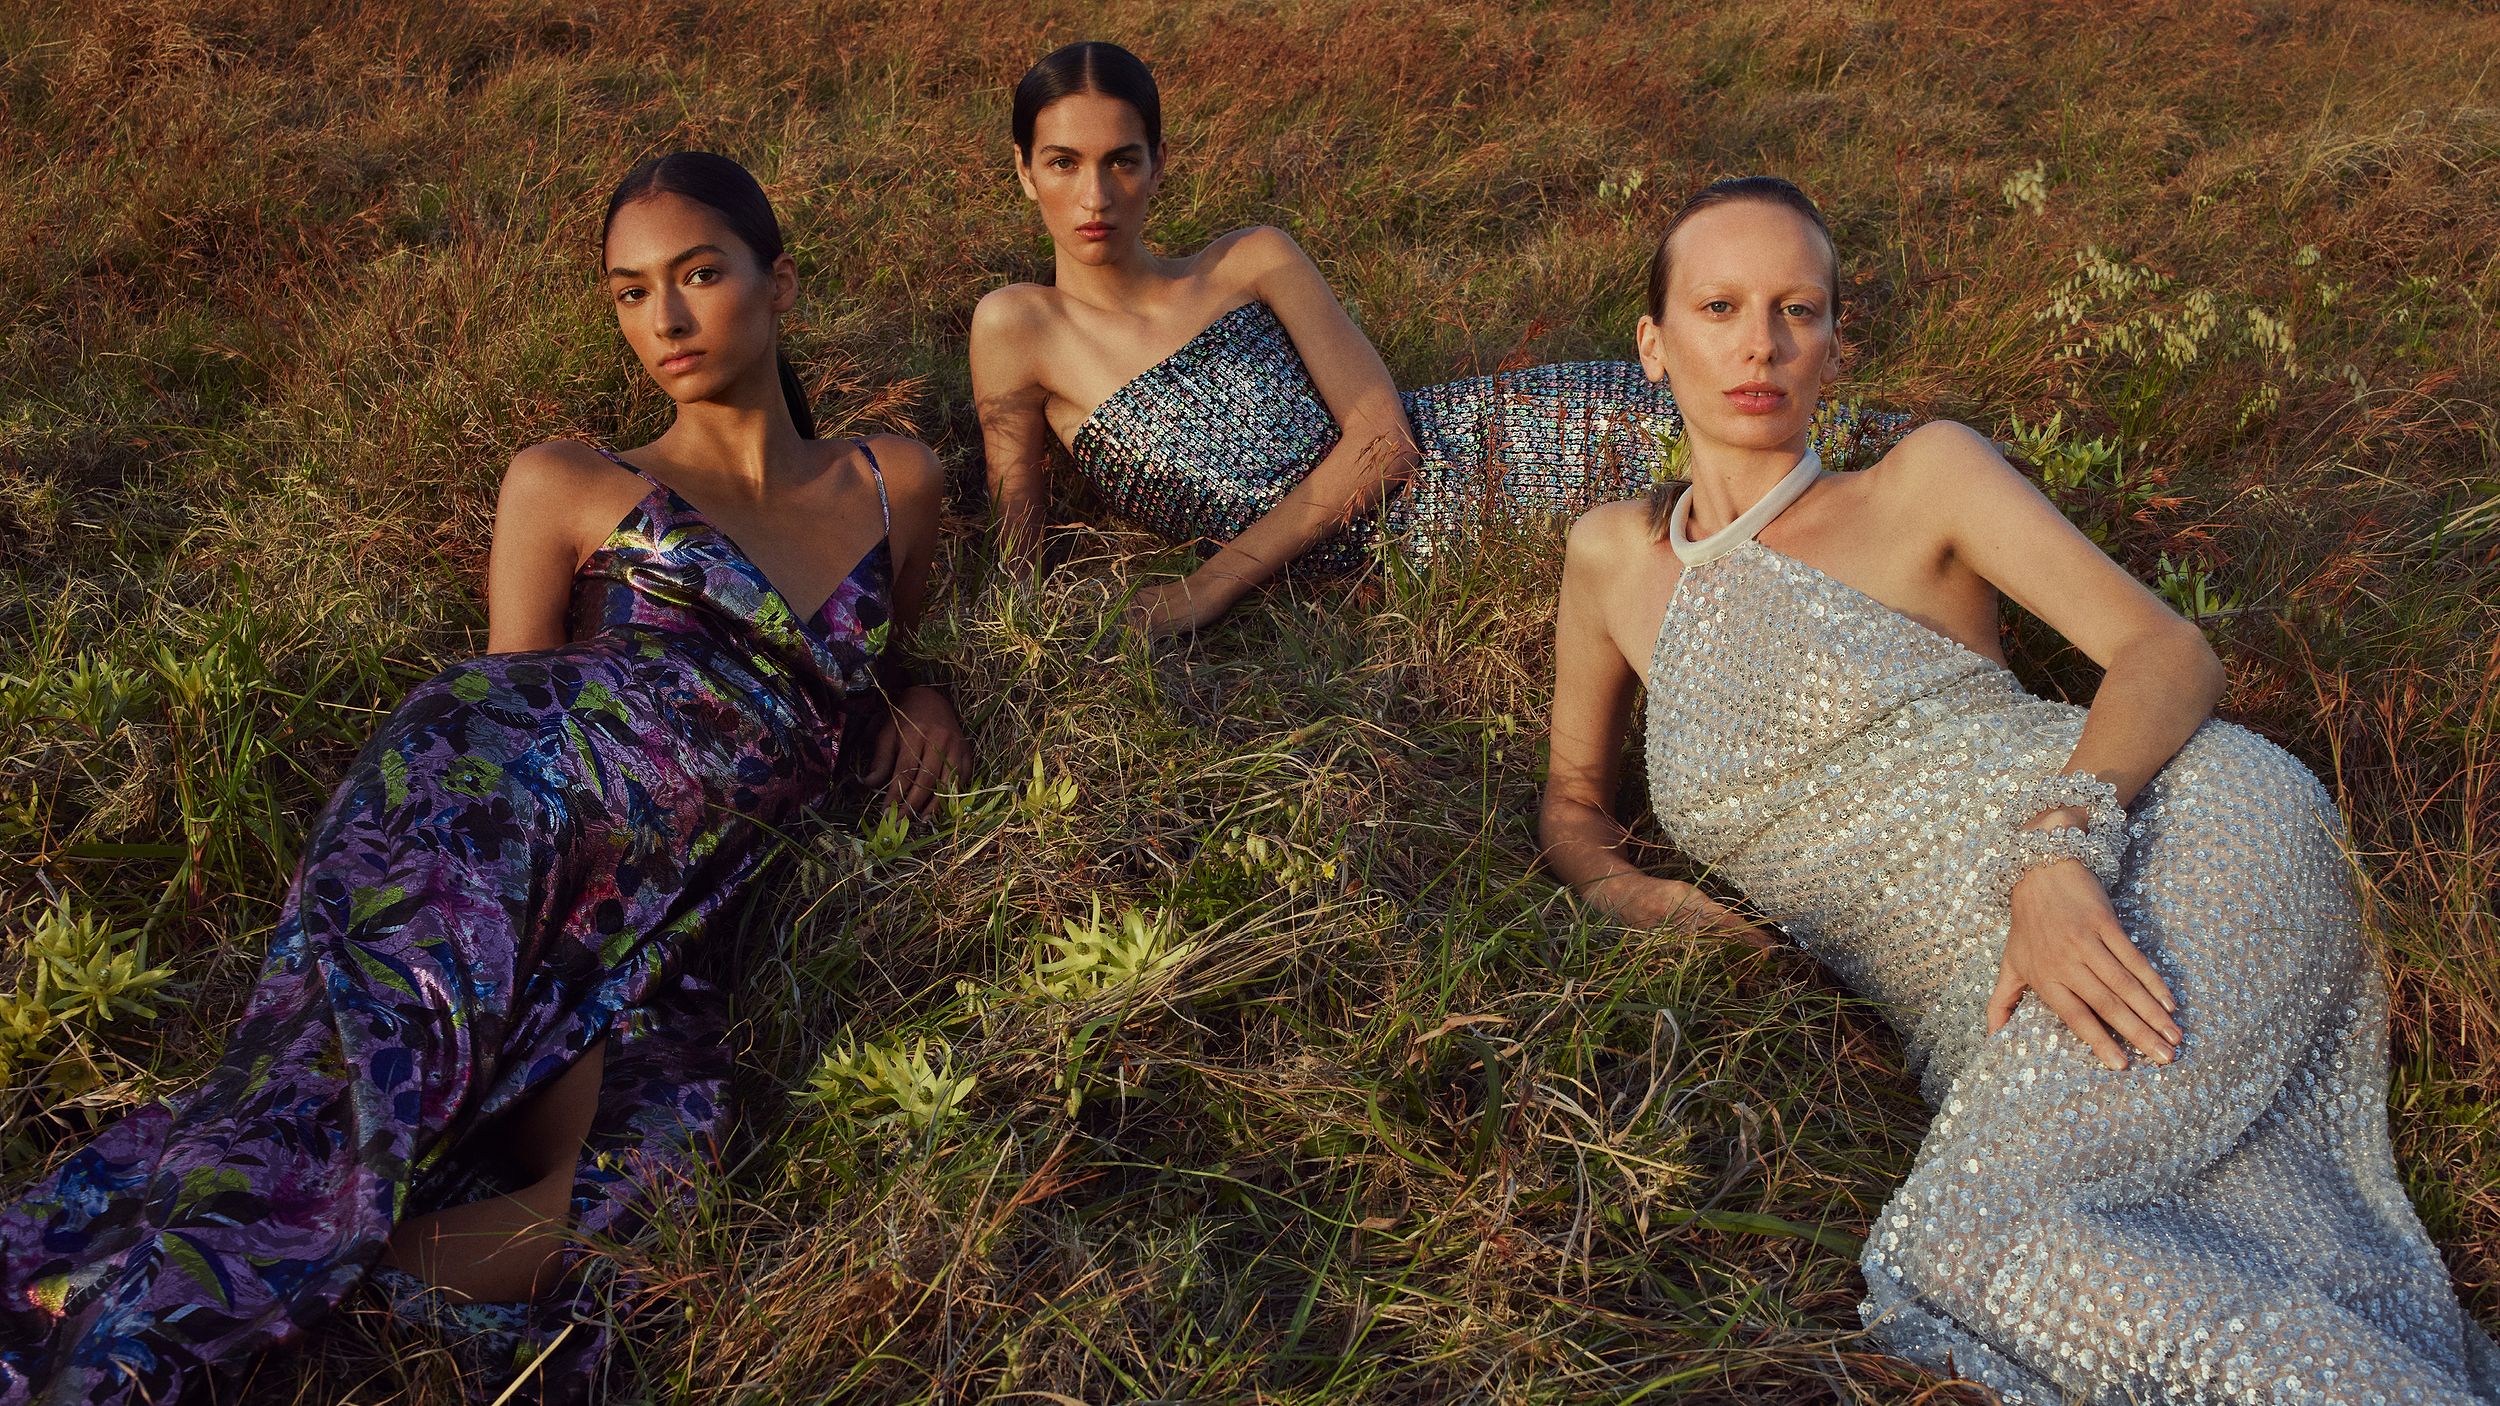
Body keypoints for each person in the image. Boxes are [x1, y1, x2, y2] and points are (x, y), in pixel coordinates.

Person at [0, 151, 969, 1406]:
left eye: (698, 276)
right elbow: (515, 703)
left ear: (776, 284)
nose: (664, 320)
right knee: (329, 1117)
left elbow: (893, 646)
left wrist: (926, 685)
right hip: (478, 822)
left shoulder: (894, 479)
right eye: (629, 293)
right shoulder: (568, 478)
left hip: (673, 912)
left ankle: (313, 1298)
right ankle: (134, 1330)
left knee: (662, 1171)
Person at [1539, 175, 2499, 1402]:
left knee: (1963, 1243)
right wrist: (1631, 891)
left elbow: (2167, 651)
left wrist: (2056, 848)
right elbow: (1570, 797)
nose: (1760, 343)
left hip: (2170, 828)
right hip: (1983, 1004)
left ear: (1836, 343)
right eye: (1719, 305)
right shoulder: (1610, 559)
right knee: (2029, 1241)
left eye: (1798, 308)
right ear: (1653, 340)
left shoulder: (1919, 484)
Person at [970, 42, 1910, 640]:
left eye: (1120, 161)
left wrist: (1203, 591)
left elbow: (1384, 440)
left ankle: (1983, 483)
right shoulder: (1017, 327)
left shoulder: (1250, 259)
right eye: (1063, 164)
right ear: (1023, 173)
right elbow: (1019, 554)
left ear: (1158, 166)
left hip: (1473, 454)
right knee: (1765, 512)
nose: (1095, 198)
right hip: (1417, 547)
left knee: (1814, 449)